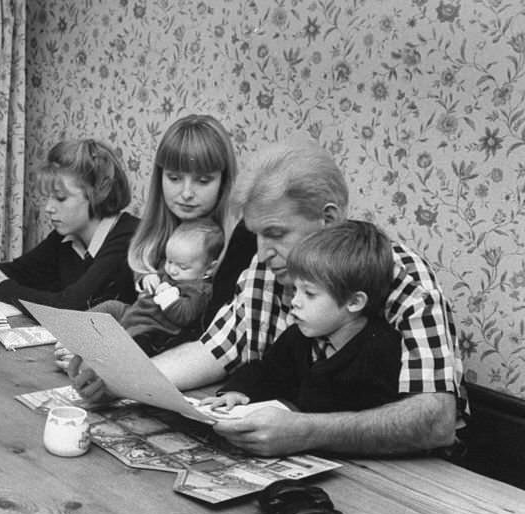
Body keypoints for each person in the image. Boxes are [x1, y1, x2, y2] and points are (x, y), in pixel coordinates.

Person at [70, 138, 465, 457]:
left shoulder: (402, 278)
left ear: (328, 219)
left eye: (276, 233)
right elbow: (211, 351)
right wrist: (122, 380)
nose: (261, 252)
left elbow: (436, 420)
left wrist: (308, 432)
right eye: (256, 233)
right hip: (290, 457)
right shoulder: (265, 269)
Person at [0, 138, 139, 310]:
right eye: (48, 197)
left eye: (60, 198)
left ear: (98, 194)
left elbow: (72, 305)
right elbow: (17, 272)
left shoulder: (127, 237)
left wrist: (7, 291)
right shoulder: (65, 237)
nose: (49, 207)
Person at [201, 221, 402, 413]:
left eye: (310, 294)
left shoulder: (381, 351)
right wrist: (237, 392)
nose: (295, 301)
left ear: (354, 302)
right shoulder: (298, 336)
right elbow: (265, 372)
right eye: (296, 290)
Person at [127, 114, 254, 335]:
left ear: (223, 182)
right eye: (174, 178)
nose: (186, 193)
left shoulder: (241, 244)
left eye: (203, 180)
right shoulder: (151, 241)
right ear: (160, 178)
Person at [92, 222, 223, 355]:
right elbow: (152, 278)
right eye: (169, 261)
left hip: (153, 328)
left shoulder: (199, 290)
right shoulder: (171, 272)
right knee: (111, 306)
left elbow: (185, 315)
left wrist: (168, 296)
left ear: (209, 268)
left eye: (182, 267)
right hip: (134, 313)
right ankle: (76, 331)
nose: (172, 270)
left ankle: (101, 357)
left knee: (128, 344)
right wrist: (149, 278)